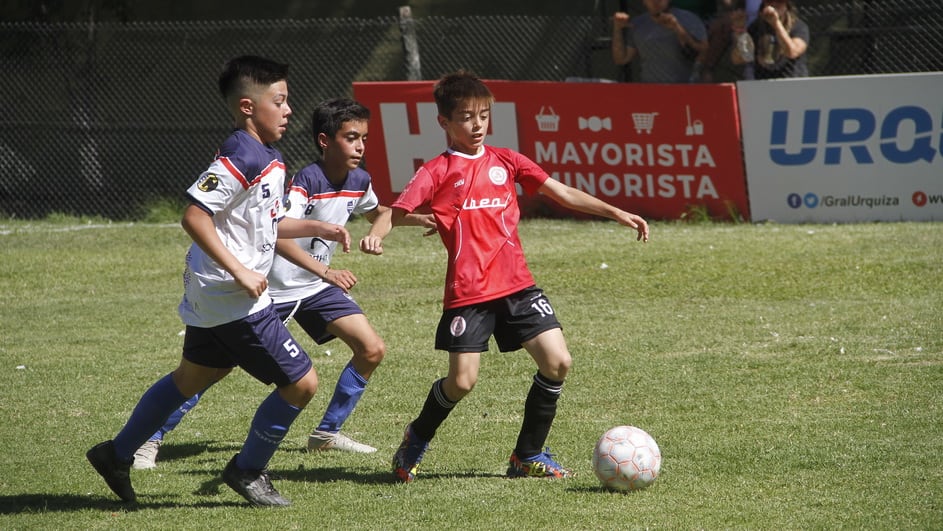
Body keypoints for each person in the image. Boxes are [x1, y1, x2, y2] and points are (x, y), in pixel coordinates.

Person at [86, 55, 354, 507]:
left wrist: (316, 228)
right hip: (233, 297)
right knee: (302, 382)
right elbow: (194, 215)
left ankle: (116, 453)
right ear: (248, 106)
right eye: (280, 101)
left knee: (194, 375)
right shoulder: (241, 153)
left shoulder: (266, 154)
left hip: (216, 294)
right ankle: (248, 471)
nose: (289, 110)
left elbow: (262, 224)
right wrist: (241, 271)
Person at [369, 70, 650, 483]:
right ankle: (417, 435)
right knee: (461, 382)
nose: (477, 124)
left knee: (558, 362)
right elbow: (393, 211)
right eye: (466, 117)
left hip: (518, 286)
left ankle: (527, 454)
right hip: (470, 293)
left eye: (483, 115)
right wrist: (376, 236)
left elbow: (562, 192)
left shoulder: (507, 160)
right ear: (444, 122)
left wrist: (616, 212)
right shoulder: (437, 170)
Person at [130, 98, 435, 470]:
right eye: (351, 137)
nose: (360, 146)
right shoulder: (305, 181)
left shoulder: (359, 180)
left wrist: (414, 221)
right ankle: (151, 438)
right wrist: (326, 272)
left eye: (364, 138)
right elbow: (277, 234)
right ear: (325, 140)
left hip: (315, 289)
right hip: (273, 290)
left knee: (370, 349)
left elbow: (380, 212)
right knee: (212, 369)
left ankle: (326, 433)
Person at [611, 0, 708, 83]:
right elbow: (621, 59)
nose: (655, 1)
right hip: (650, 91)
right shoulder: (637, 24)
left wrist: (677, 27)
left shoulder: (689, 19)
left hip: (684, 88)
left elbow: (700, 54)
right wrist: (617, 28)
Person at [731, 0, 809, 79]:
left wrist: (776, 24)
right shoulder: (757, 26)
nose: (774, 4)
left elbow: (792, 52)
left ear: (787, 5)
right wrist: (740, 31)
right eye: (769, 1)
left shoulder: (798, 27)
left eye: (779, 1)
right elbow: (740, 58)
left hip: (793, 82)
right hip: (763, 83)